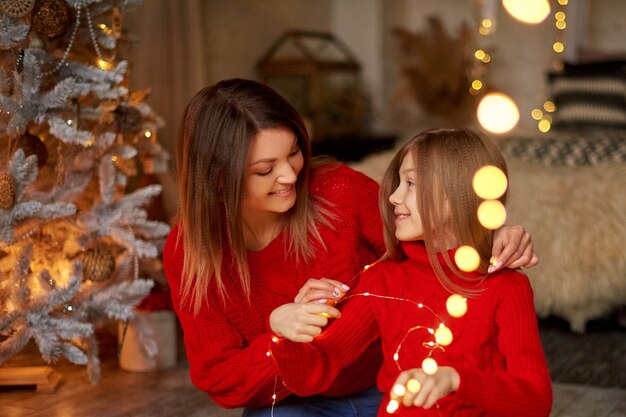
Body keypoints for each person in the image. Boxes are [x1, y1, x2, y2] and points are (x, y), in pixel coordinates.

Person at [162, 79, 539, 417]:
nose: (291, 175)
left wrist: (489, 231)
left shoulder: (340, 193)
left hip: (382, 386)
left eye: (294, 152)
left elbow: (429, 230)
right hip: (293, 401)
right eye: (264, 169)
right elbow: (224, 379)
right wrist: (283, 331)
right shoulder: (189, 252)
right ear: (218, 178)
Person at [268, 128, 552, 416]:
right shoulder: (382, 280)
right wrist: (284, 333)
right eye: (398, 183)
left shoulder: (506, 287)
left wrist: (455, 381)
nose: (393, 196)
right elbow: (313, 374)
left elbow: (536, 399)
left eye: (411, 183)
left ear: (457, 193)